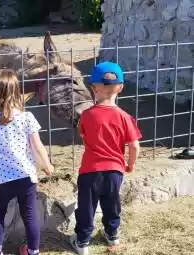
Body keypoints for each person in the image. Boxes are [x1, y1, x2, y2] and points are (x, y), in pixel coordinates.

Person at [0, 69, 54, 255]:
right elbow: (38, 146)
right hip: (26, 177)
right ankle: (32, 250)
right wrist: (47, 165)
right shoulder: (27, 118)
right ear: (16, 91)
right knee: (30, 216)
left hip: (2, 179)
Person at [70, 61, 142, 255]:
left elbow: (84, 136)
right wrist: (130, 164)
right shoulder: (125, 117)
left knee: (86, 207)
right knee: (112, 203)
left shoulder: (86, 115)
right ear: (121, 88)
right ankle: (112, 234)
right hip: (115, 171)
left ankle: (82, 242)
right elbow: (134, 145)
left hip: (90, 171)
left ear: (93, 88)